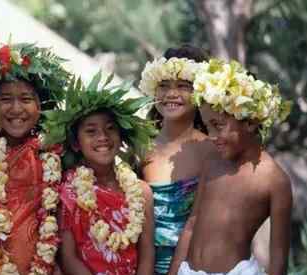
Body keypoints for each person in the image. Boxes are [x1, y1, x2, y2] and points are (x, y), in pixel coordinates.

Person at [168, 59, 292, 275]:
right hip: (187, 271)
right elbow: (192, 223)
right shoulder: (213, 162)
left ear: (250, 122)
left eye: (218, 126)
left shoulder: (274, 180)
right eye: (208, 127)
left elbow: (279, 259)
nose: (212, 137)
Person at [0, 42, 71, 274]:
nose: (16, 108)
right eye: (5, 99)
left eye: (26, 99)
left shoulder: (55, 153)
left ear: (41, 105)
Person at [42, 73, 156, 275]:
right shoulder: (67, 190)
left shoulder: (141, 192)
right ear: (76, 143)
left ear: (121, 137)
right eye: (91, 131)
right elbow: (68, 257)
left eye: (110, 129)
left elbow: (147, 255)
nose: (103, 137)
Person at [138, 45, 213, 275]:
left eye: (183, 86)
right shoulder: (139, 145)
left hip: (188, 267)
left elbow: (200, 223)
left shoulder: (210, 149)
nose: (172, 94)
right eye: (164, 85)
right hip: (138, 263)